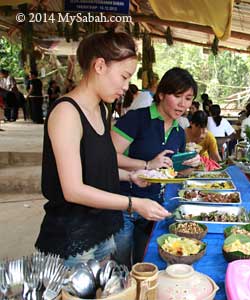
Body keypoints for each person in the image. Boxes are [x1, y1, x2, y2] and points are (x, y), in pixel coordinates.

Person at [35, 30, 170, 267]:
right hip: (72, 239)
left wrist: (131, 176)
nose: (127, 87)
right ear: (99, 66)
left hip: (104, 230)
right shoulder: (67, 113)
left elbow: (97, 169)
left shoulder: (102, 109)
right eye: (124, 76)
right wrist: (133, 203)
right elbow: (73, 190)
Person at [111, 67, 201, 266]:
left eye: (188, 98)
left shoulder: (179, 131)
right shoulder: (136, 119)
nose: (182, 104)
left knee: (145, 264)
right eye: (177, 96)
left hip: (154, 208)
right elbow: (106, 157)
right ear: (161, 93)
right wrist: (147, 164)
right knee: (121, 267)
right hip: (124, 205)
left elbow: (171, 172)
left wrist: (190, 166)